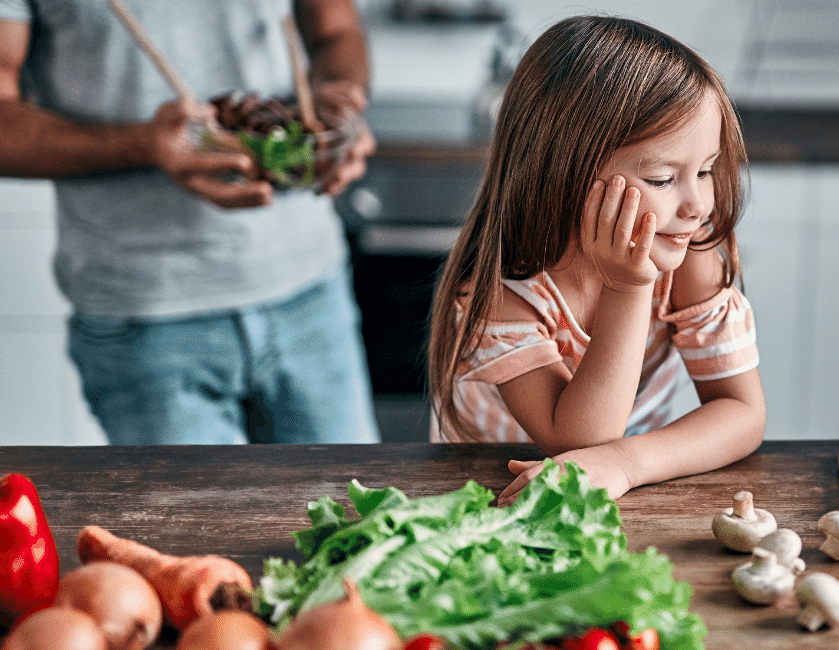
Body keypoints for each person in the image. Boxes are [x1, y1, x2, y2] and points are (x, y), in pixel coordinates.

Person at [0, 0, 380, 444]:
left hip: (311, 292)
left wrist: (338, 103)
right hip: (144, 314)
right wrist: (144, 144)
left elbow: (335, 30)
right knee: (198, 518)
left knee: (354, 509)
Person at [427, 15, 766, 502]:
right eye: (663, 180)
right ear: (563, 172)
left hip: (623, 485)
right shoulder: (505, 291)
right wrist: (628, 289)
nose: (697, 206)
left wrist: (630, 463)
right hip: (490, 497)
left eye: (707, 170)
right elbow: (580, 443)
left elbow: (741, 411)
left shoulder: (690, 249)